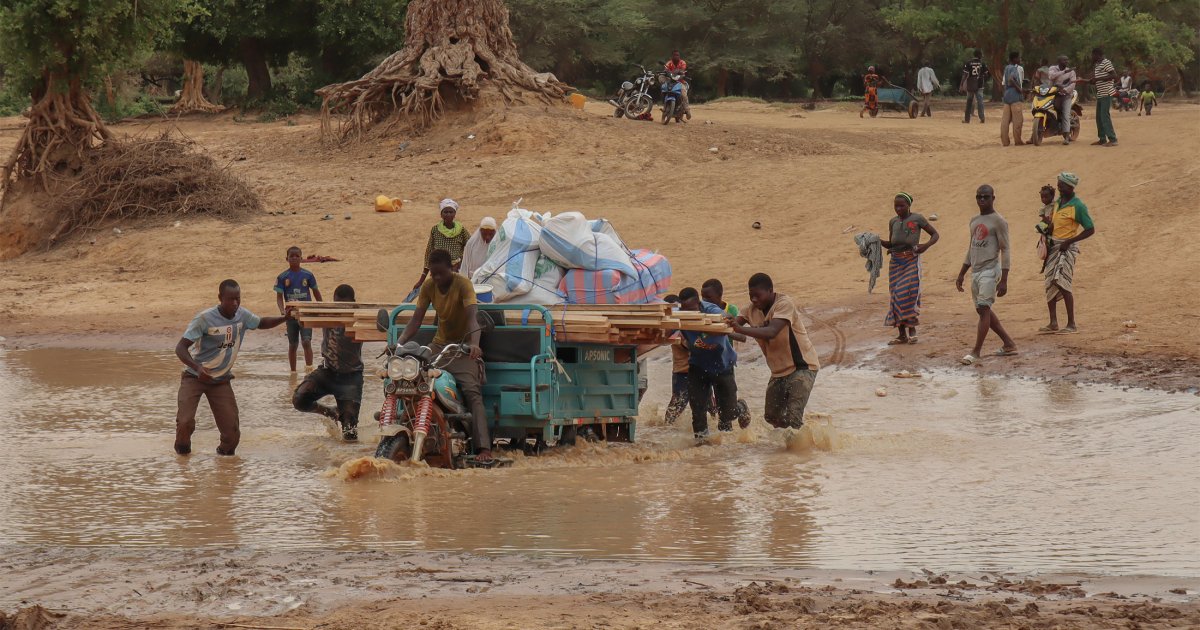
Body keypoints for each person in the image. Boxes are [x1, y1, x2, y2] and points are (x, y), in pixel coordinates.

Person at [397, 249, 494, 465]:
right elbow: (416, 321)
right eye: (433, 274)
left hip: (462, 347)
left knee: (472, 391)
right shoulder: (429, 286)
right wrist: (399, 343)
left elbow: (473, 319)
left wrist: (475, 345)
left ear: (452, 269)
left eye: (441, 273)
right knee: (412, 379)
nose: (437, 278)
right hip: (439, 345)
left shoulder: (463, 284)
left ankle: (484, 447)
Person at [174, 280, 290, 456]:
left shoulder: (243, 316)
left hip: (221, 380)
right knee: (185, 422)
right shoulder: (204, 318)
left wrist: (284, 318)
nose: (235, 303)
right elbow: (180, 348)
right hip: (195, 378)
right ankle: (183, 461)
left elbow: (261, 322)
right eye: (230, 299)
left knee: (232, 435)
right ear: (220, 298)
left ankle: (224, 466)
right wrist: (198, 368)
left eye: (238, 299)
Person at [729, 274, 821, 430]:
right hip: (778, 370)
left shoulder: (784, 304)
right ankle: (790, 446)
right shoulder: (750, 310)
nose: (754, 300)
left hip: (802, 367)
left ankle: (797, 445)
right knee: (771, 416)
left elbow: (772, 331)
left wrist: (740, 329)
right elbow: (731, 326)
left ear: (770, 291)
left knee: (793, 417)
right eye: (751, 296)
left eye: (758, 296)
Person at [292, 284, 365, 441]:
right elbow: (304, 316)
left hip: (351, 377)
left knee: (350, 433)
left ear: (353, 302)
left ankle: (344, 418)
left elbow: (379, 327)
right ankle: (330, 412)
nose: (341, 308)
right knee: (299, 399)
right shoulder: (327, 313)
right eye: (337, 303)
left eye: (345, 304)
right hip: (328, 371)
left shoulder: (359, 316)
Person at [955, 185, 1017, 365]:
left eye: (986, 197)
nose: (982, 200)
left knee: (983, 309)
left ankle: (976, 352)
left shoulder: (999, 221)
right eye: (979, 197)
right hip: (975, 271)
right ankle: (1009, 344)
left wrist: (1004, 279)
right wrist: (961, 274)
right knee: (983, 310)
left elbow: (1005, 250)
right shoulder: (974, 220)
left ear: (993, 198)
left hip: (990, 270)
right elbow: (971, 247)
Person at [677, 287, 741, 439]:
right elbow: (665, 326)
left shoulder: (710, 308)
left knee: (727, 415)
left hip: (722, 365)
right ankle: (702, 446)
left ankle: (741, 408)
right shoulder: (679, 314)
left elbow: (726, 316)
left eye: (693, 310)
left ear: (699, 304)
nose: (690, 314)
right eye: (686, 311)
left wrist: (726, 319)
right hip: (698, 366)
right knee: (698, 411)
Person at [879, 192, 939, 345]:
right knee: (895, 296)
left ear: (909, 205)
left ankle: (912, 331)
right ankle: (902, 335)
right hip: (895, 263)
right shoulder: (893, 221)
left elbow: (935, 235)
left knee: (908, 294)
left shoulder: (917, 218)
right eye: (896, 206)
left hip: (911, 260)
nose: (898, 209)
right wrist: (877, 241)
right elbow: (892, 243)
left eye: (901, 206)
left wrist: (925, 246)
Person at [1040, 172, 1095, 334]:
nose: (1059, 187)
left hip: (1066, 249)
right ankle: (1053, 322)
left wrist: (1069, 241)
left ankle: (1071, 324)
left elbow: (1090, 229)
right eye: (1058, 184)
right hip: (1054, 247)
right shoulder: (1058, 202)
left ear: (1070, 187)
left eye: (1061, 185)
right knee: (1050, 282)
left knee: (1063, 283)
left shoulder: (1078, 206)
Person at [274, 246, 322, 373]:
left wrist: (321, 306)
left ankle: (309, 370)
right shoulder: (282, 277)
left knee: (306, 341)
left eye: (297, 256)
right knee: (293, 344)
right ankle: (293, 372)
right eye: (292, 256)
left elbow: (316, 292)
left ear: (301, 258)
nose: (294, 258)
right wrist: (282, 311)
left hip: (306, 313)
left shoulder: (308, 275)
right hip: (290, 315)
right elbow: (279, 297)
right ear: (287, 259)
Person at [413, 199, 471, 291]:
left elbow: (470, 247)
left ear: (455, 214)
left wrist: (461, 263)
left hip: (456, 270)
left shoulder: (461, 230)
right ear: (441, 214)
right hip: (438, 272)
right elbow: (429, 254)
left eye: (451, 212)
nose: (448, 214)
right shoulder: (435, 230)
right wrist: (421, 281)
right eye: (445, 212)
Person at [1083, 47, 1118, 147]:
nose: (1091, 57)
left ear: (1097, 55)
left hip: (1106, 93)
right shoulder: (1098, 64)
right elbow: (1097, 79)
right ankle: (1102, 139)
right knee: (1099, 117)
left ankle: (1113, 139)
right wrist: (1085, 80)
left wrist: (1098, 79)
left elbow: (1114, 76)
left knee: (1104, 116)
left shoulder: (1106, 62)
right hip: (1100, 94)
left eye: (1092, 55)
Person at [1047, 55, 1077, 145]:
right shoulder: (1052, 68)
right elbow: (1051, 77)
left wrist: (1065, 90)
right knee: (1043, 109)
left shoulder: (1072, 72)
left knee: (1065, 115)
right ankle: (1034, 136)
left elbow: (1073, 84)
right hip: (1053, 95)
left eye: (1067, 60)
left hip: (1066, 96)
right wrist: (1064, 72)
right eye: (1064, 60)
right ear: (1059, 61)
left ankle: (1067, 137)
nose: (1066, 62)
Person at [1000, 51, 1025, 146]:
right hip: (1015, 96)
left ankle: (1005, 141)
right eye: (1018, 58)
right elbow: (1011, 80)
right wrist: (1020, 89)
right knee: (1018, 120)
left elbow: (1006, 81)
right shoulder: (1014, 68)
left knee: (1005, 121)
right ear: (1014, 59)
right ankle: (1018, 141)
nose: (1019, 60)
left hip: (1007, 96)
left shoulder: (1006, 68)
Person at [961, 50, 988, 123]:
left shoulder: (969, 63)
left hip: (971, 84)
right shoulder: (982, 63)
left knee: (969, 101)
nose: (982, 56)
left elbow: (965, 75)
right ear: (979, 55)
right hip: (980, 84)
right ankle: (982, 118)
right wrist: (982, 80)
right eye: (981, 55)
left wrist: (961, 84)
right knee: (980, 101)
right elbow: (986, 74)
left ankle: (967, 119)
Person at [664, 50, 690, 120]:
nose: (676, 56)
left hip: (680, 82)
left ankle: (687, 110)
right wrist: (668, 72)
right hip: (670, 82)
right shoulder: (669, 63)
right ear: (672, 56)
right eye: (675, 55)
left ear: (679, 56)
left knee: (684, 95)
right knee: (663, 89)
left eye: (677, 55)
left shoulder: (683, 62)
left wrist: (676, 71)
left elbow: (682, 70)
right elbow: (665, 70)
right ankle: (665, 106)